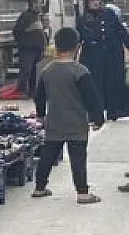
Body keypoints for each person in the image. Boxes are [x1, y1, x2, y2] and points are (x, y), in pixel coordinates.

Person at [32, 28, 104, 204]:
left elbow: (39, 96)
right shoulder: (80, 71)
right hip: (77, 123)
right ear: (78, 47)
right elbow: (91, 98)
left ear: (56, 47)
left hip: (54, 122)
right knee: (78, 158)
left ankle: (39, 188)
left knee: (48, 155)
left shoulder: (47, 70)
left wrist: (41, 115)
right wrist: (98, 118)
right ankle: (82, 193)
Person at [76, 0, 129, 121]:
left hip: (112, 55)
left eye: (97, 0)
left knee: (113, 82)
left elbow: (121, 31)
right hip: (94, 57)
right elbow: (81, 37)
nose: (95, 2)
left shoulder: (109, 14)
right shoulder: (83, 19)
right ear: (87, 3)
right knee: (95, 84)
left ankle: (113, 111)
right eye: (92, 0)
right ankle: (97, 113)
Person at [13, 0, 46, 97]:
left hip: (37, 49)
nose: (40, 6)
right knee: (26, 71)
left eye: (40, 3)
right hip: (28, 49)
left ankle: (32, 92)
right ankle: (22, 91)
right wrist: (26, 35)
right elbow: (16, 31)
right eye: (38, 3)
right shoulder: (26, 16)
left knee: (33, 72)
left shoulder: (37, 16)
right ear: (32, 4)